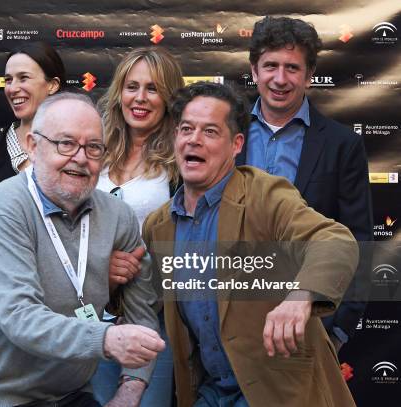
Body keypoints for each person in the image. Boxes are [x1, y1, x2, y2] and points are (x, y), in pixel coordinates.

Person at [143, 82, 358, 406]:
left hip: (280, 394)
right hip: (209, 395)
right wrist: (118, 280)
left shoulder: (265, 196)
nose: (194, 139)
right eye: (186, 128)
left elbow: (335, 240)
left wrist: (301, 296)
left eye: (210, 131)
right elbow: (145, 298)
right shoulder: (159, 226)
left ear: (236, 144)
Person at [0, 92, 163, 407]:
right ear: (34, 147)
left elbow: (141, 312)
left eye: (93, 147)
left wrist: (130, 390)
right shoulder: (8, 204)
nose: (80, 157)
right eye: (66, 143)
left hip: (72, 392)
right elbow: (19, 318)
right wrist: (106, 338)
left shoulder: (118, 216)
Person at [237, 16, 373, 352]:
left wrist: (338, 330)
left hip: (307, 326)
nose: (280, 79)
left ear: (309, 75)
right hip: (230, 319)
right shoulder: (224, 133)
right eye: (270, 66)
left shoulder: (341, 145)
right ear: (254, 71)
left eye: (292, 68)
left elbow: (358, 240)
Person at [92, 47, 183, 406]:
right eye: (132, 86)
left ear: (168, 97)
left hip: (154, 316)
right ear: (119, 92)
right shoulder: (95, 149)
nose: (140, 98)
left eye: (152, 88)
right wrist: (103, 266)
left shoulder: (180, 158)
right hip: (92, 315)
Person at [0, 42, 66, 238]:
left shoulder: (78, 151)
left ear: (52, 85)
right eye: (8, 80)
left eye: (23, 78)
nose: (13, 88)